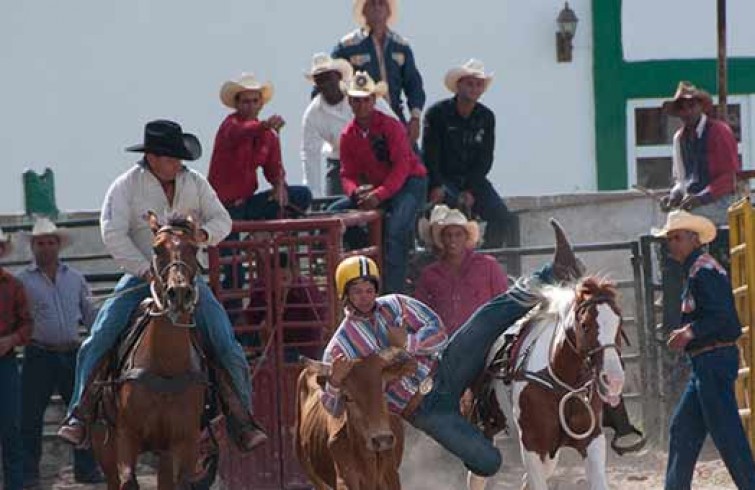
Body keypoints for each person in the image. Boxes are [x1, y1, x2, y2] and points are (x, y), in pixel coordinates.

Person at [56, 119, 266, 451]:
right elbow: (113, 234)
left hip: (189, 277)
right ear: (153, 157)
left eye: (178, 157)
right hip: (142, 276)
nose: (177, 163)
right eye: (171, 156)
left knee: (227, 345)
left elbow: (222, 219)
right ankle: (79, 413)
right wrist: (145, 271)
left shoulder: (194, 183)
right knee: (99, 336)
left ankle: (242, 419)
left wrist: (202, 235)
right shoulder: (127, 186)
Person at [322, 224, 583, 487]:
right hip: (424, 410)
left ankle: (554, 272)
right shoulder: (340, 347)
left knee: (485, 318)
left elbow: (438, 332)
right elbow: (331, 409)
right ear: (345, 294)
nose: (365, 297)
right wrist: (333, 383)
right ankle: (475, 418)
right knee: (488, 462)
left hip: (446, 367)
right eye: (357, 291)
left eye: (369, 289)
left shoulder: (395, 304)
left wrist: (409, 343)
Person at [652, 210, 755, 489]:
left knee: (727, 435)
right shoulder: (701, 268)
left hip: (712, 360)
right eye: (670, 238)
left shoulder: (702, 271)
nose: (671, 243)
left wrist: (689, 332)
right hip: (707, 362)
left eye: (676, 237)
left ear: (693, 239)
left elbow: (723, 317)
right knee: (683, 429)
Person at [17, 218, 103, 486]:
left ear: (58, 245)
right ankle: (30, 473)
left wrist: (101, 335)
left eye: (50, 242)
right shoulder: (23, 282)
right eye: (41, 243)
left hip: (71, 351)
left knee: (82, 412)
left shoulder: (75, 279)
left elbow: (90, 315)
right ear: (33, 247)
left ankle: (86, 469)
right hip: (39, 352)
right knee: (30, 416)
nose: (46, 247)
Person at [327, 72, 427, 294]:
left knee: (395, 229)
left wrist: (377, 195)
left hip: (409, 183)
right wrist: (356, 193)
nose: (361, 105)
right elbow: (347, 174)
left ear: (373, 100)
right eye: (357, 100)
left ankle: (394, 293)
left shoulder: (391, 127)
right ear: (350, 102)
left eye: (365, 99)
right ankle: (367, 273)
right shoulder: (348, 136)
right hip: (380, 188)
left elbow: (402, 167)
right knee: (334, 216)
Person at [422, 59, 511, 247]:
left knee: (502, 216)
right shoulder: (436, 114)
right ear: (458, 85)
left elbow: (485, 159)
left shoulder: (486, 117)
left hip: (473, 180)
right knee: (453, 215)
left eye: (478, 84)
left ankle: (487, 260)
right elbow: (430, 155)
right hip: (444, 179)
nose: (474, 88)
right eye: (469, 83)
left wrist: (471, 189)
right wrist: (436, 184)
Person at [208, 72, 312, 220]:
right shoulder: (229, 126)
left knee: (301, 195)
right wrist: (264, 125)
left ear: (261, 104)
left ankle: (268, 233)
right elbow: (240, 132)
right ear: (237, 104)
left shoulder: (268, 135)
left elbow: (275, 170)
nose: (251, 106)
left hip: (247, 203)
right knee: (228, 240)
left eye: (255, 101)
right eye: (246, 102)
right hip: (222, 207)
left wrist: (279, 186)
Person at [301, 52, 397, 197]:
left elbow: (395, 128)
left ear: (339, 77)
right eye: (320, 80)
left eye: (329, 78)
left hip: (378, 159)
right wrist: (312, 195)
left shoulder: (362, 95)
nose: (325, 84)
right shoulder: (312, 114)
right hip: (340, 164)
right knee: (336, 209)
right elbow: (309, 154)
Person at [331, 0, 425, 142]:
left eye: (381, 3)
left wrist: (415, 117)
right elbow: (329, 82)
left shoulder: (401, 46)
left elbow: (414, 84)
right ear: (363, 11)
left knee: (411, 161)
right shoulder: (347, 46)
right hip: (360, 121)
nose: (376, 7)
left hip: (395, 117)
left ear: (388, 11)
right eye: (371, 3)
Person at [659, 81, 740, 225]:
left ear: (701, 107)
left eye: (691, 106)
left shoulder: (719, 131)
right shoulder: (679, 138)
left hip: (724, 202)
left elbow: (728, 178)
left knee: (683, 219)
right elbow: (682, 181)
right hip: (694, 204)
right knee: (673, 218)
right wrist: (673, 196)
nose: (688, 112)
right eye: (682, 108)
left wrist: (700, 198)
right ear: (678, 113)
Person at [0, 227, 31, 490]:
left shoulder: (13, 286)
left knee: (11, 426)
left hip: (5, 361)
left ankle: (15, 485)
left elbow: (27, 324)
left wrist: (11, 340)